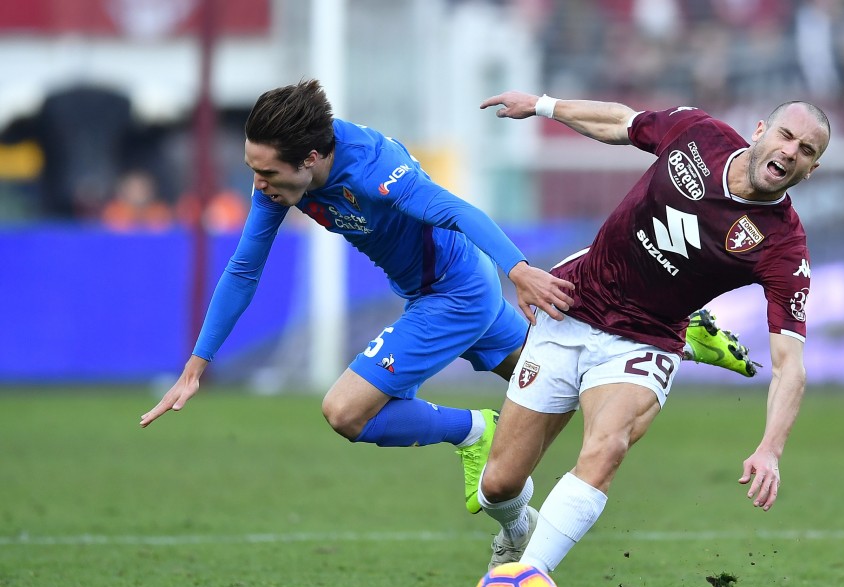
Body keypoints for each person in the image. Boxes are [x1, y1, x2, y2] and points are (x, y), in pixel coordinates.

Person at [140, 79, 756, 516]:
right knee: (569, 389)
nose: (257, 185)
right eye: (253, 170)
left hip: (452, 295)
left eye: (266, 173)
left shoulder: (374, 169)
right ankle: (676, 331)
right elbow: (245, 268)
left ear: (309, 159)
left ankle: (470, 431)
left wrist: (516, 267)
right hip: (452, 296)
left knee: (345, 411)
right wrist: (197, 366)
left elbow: (455, 209)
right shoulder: (284, 183)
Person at [475, 91, 829, 572]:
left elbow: (790, 364)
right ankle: (516, 528)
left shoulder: (784, 245)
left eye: (807, 151)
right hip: (573, 304)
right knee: (498, 485)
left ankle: (526, 579)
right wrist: (541, 105)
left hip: (648, 339)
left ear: (811, 171)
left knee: (606, 447)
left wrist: (770, 449)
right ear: (761, 131)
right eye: (787, 136)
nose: (791, 152)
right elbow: (622, 122)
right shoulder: (698, 134)